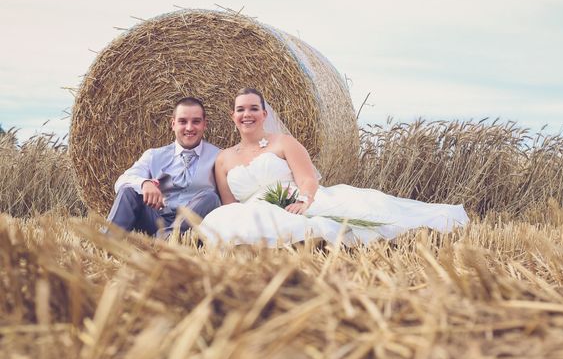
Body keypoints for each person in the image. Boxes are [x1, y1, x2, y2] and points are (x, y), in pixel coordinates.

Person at [198, 88, 469, 247]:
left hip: (295, 198)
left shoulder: (284, 142)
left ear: (264, 114)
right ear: (233, 116)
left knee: (361, 214)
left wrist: (304, 200)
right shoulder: (223, 159)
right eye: (241, 110)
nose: (247, 115)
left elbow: (307, 179)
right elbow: (229, 204)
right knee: (224, 221)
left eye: (254, 109)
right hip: (254, 210)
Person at [107, 97, 221, 236]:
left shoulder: (219, 157)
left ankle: (167, 240)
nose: (189, 128)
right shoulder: (153, 155)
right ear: (173, 124)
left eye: (196, 121)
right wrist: (144, 183)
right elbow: (121, 181)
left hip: (193, 225)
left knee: (210, 197)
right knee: (128, 190)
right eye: (182, 121)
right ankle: (105, 242)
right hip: (156, 219)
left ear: (205, 124)